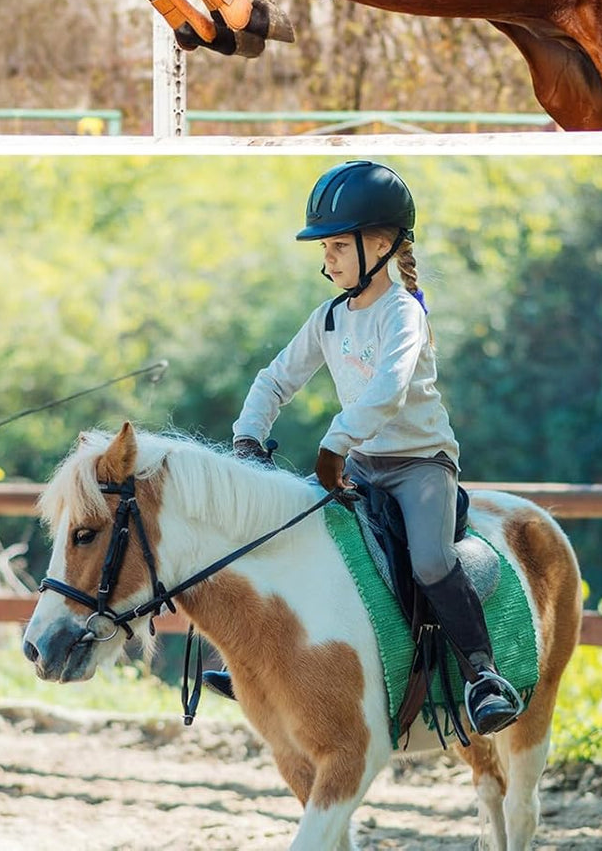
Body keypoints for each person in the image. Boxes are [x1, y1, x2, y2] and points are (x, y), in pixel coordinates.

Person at [213, 160, 523, 737]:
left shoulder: (403, 312)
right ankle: (265, 659)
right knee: (298, 539)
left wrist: (332, 445)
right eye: (324, 248)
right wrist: (248, 434)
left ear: (378, 245)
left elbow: (388, 389)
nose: (325, 260)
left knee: (430, 560)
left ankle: (483, 674)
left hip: (419, 465)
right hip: (359, 463)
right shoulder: (329, 317)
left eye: (335, 246)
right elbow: (275, 378)